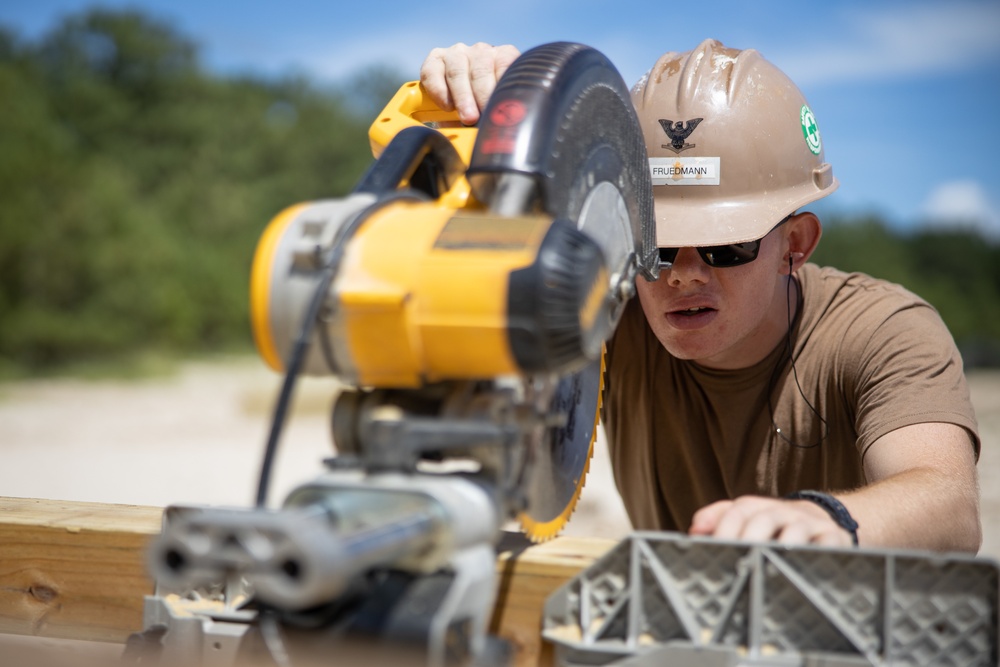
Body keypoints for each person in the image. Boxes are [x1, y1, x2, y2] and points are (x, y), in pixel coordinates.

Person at [419, 40, 982, 552]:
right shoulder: (609, 320)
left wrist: (829, 520)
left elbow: (948, 506)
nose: (683, 276)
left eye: (723, 247)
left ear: (796, 243)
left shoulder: (882, 331)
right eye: (654, 247)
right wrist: (462, 126)